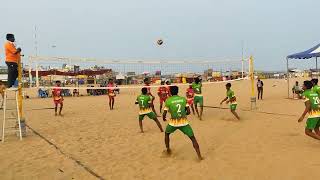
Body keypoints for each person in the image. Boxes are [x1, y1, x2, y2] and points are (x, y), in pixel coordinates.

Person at [163, 86, 203, 160]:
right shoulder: (183, 99)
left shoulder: (168, 100)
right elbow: (188, 112)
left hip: (173, 123)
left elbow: (164, 114)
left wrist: (164, 118)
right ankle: (199, 156)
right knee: (193, 138)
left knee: (166, 134)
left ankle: (168, 149)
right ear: (177, 91)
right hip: (184, 122)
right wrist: (183, 112)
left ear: (170, 92)